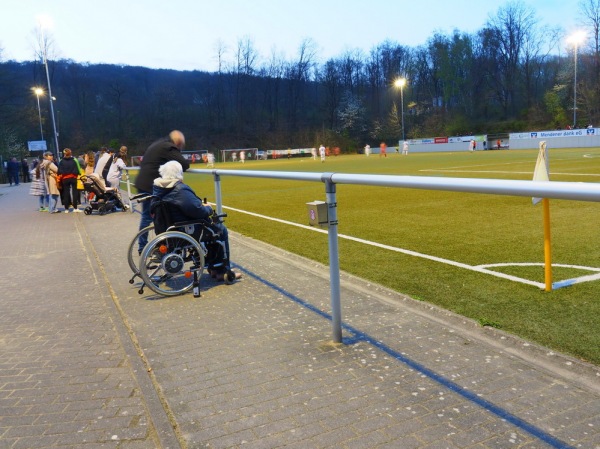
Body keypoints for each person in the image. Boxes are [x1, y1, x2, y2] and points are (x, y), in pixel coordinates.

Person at [152, 160, 240, 281]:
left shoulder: (158, 189)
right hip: (186, 231)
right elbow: (198, 210)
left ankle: (214, 268)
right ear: (179, 173)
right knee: (220, 230)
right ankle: (222, 271)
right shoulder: (179, 189)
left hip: (170, 229)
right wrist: (208, 208)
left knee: (212, 229)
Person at [135, 130, 190, 253]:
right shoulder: (169, 147)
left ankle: (154, 245)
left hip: (143, 182)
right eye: (181, 147)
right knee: (151, 216)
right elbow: (184, 164)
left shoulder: (159, 143)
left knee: (151, 215)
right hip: (150, 185)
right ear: (179, 143)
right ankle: (144, 248)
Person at [57, 148, 82, 213]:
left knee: (66, 193)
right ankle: (75, 207)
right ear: (70, 153)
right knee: (75, 192)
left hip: (65, 178)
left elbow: (59, 170)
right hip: (73, 177)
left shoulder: (61, 161)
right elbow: (78, 169)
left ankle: (66, 208)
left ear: (64, 154)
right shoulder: (74, 160)